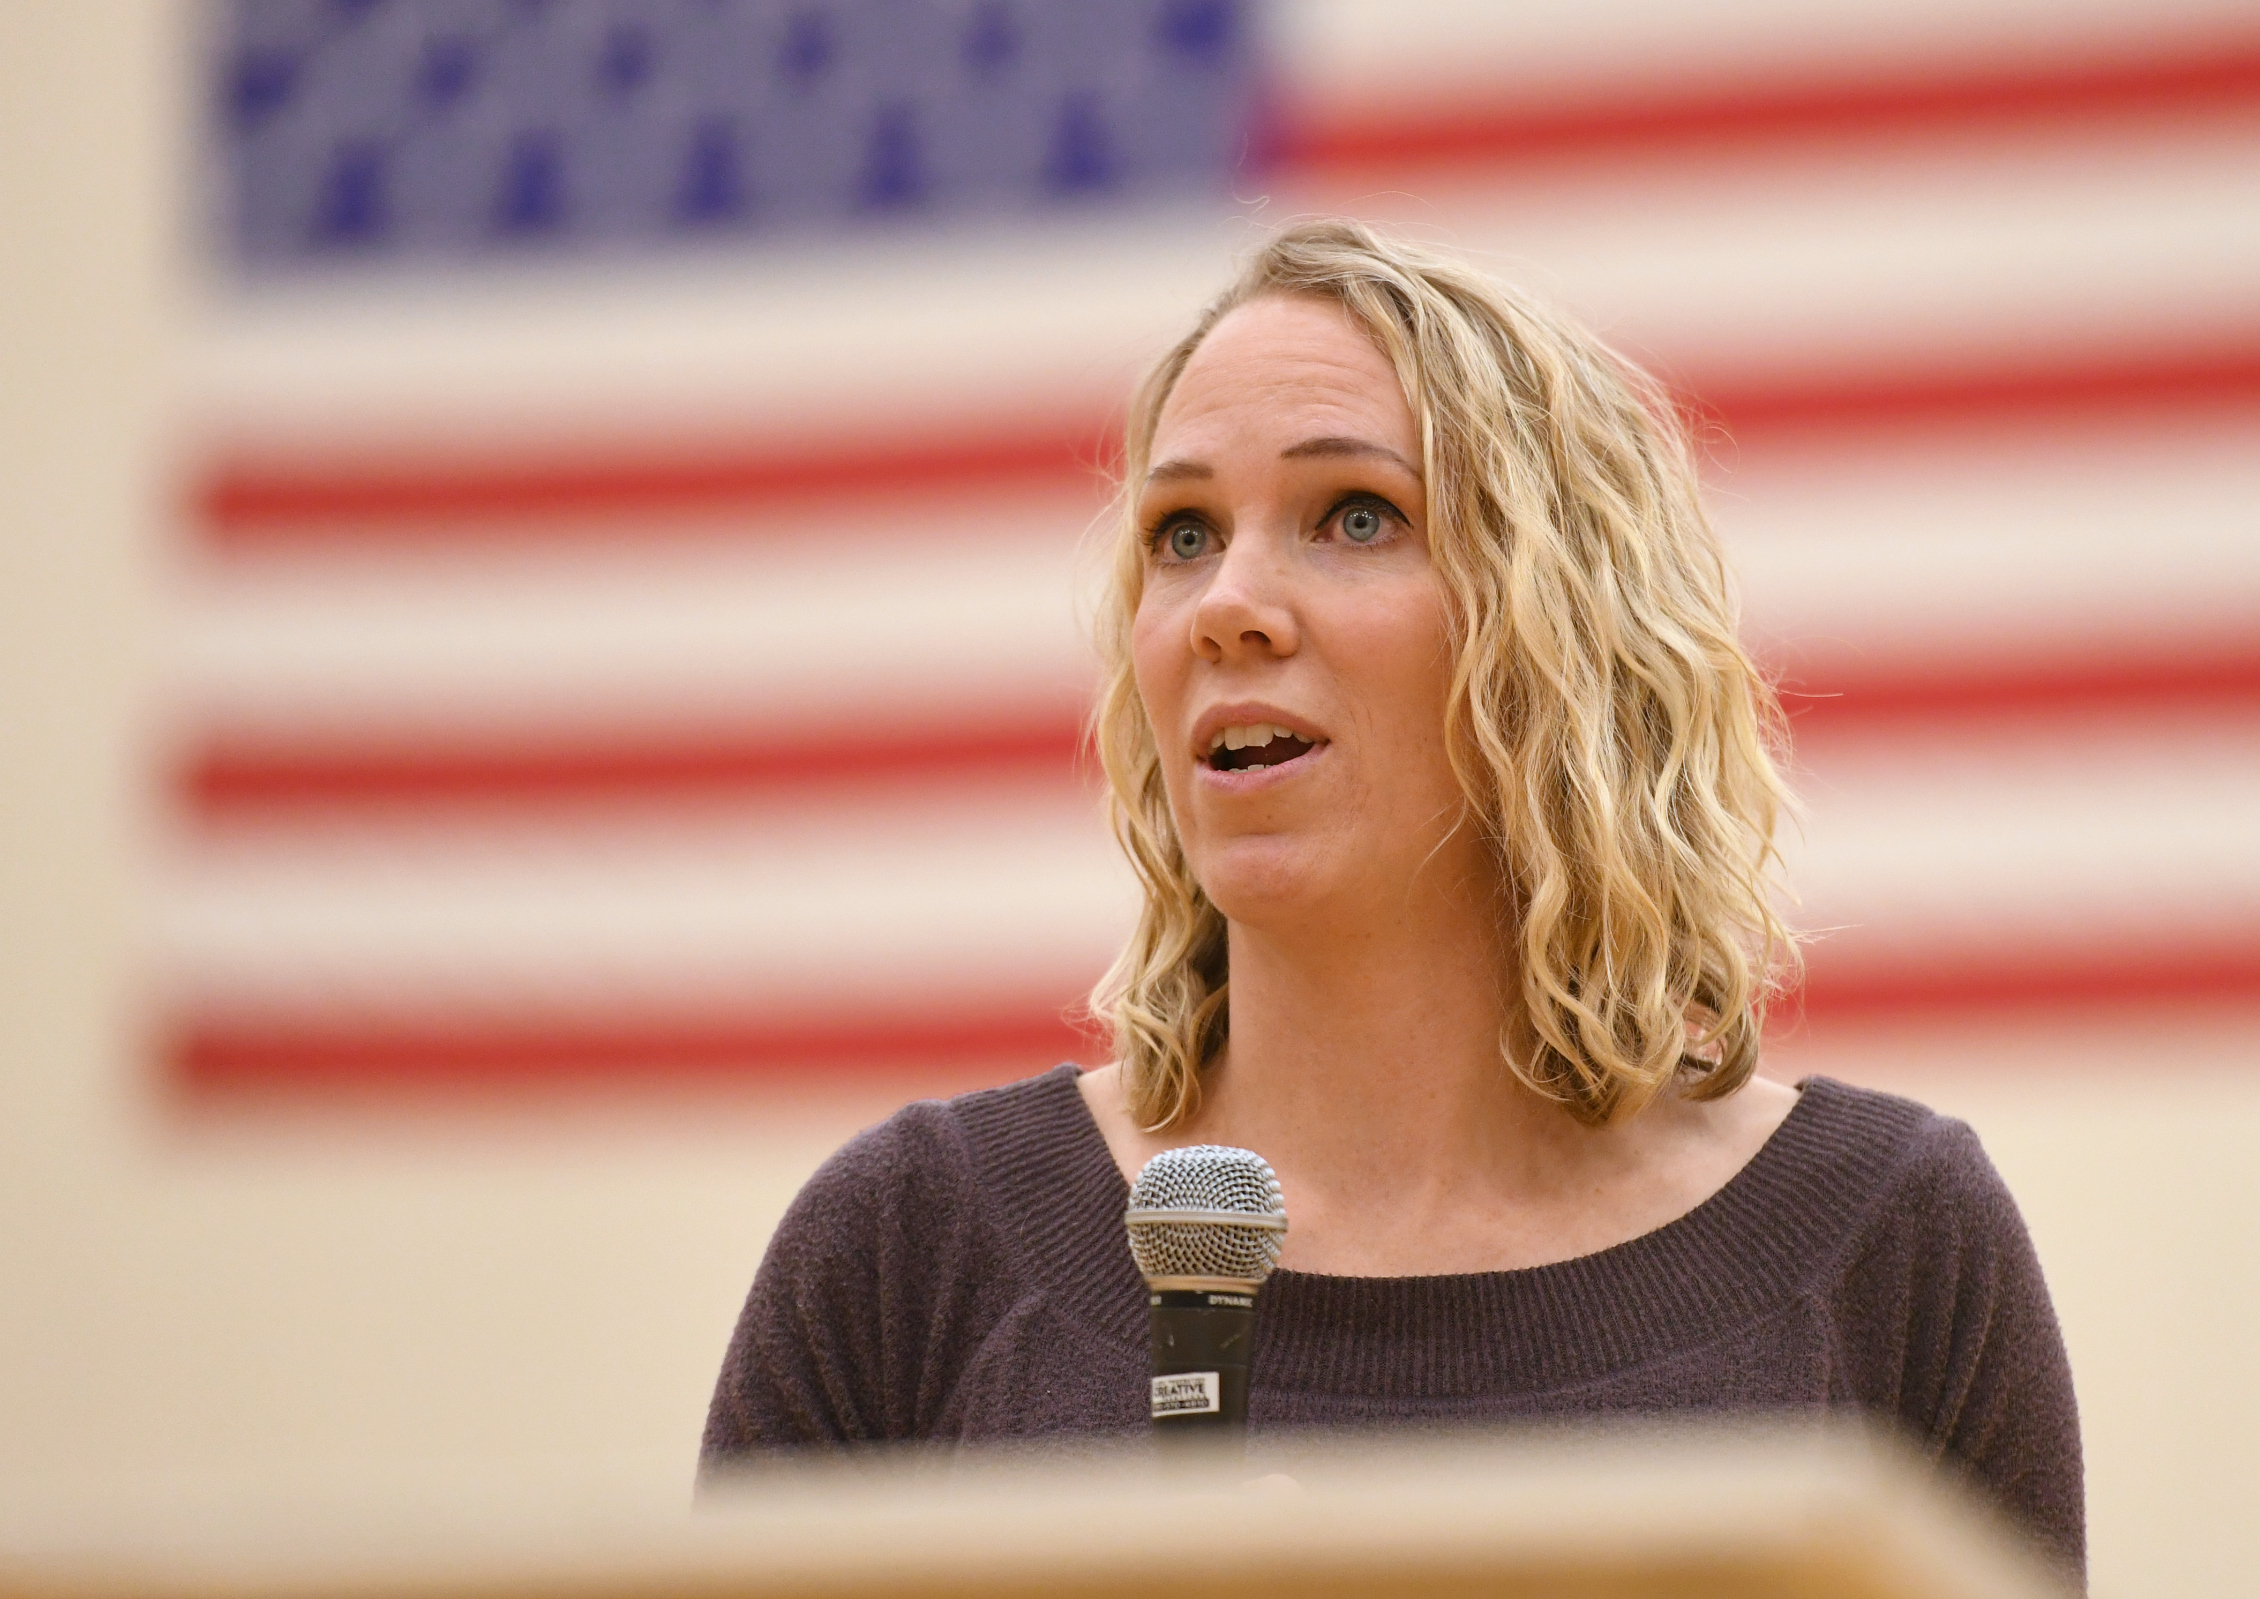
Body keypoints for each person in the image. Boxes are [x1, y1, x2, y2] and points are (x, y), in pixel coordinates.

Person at [702, 219, 2083, 1581]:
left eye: (1354, 517)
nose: (1225, 605)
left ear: (1560, 632)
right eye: (1181, 535)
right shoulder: (907, 1251)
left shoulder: (1892, 1244)